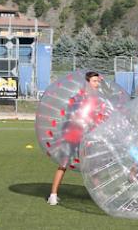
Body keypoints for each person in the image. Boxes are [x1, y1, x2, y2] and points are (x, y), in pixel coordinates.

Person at [48, 71, 104, 206]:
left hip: (86, 137)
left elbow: (98, 118)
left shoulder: (97, 100)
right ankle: (53, 195)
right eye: (94, 81)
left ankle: (100, 195)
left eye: (98, 81)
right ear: (87, 83)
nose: (97, 83)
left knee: (91, 166)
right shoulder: (79, 98)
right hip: (73, 135)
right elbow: (71, 116)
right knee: (63, 164)